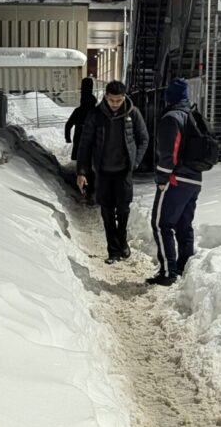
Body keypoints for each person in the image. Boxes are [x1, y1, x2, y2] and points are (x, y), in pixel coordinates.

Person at [77, 80, 149, 264]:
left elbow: (144, 138)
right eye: (112, 100)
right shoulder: (96, 115)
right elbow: (85, 145)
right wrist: (82, 171)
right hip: (103, 172)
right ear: (106, 97)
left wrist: (135, 161)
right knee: (107, 212)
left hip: (124, 171)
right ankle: (113, 251)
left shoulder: (133, 113)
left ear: (124, 97)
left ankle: (122, 240)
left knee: (123, 210)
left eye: (118, 100)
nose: (115, 104)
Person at [147, 78, 204, 287]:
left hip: (175, 179)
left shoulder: (172, 118)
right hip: (194, 179)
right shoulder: (193, 115)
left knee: (161, 224)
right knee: (184, 225)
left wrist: (162, 178)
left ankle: (168, 271)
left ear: (169, 97)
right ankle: (184, 268)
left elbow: (168, 153)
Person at [65, 77, 97, 202]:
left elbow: (68, 124)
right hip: (92, 139)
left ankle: (85, 189)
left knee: (82, 163)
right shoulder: (95, 111)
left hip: (80, 136)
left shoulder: (78, 111)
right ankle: (91, 190)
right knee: (91, 164)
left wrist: (68, 138)